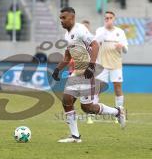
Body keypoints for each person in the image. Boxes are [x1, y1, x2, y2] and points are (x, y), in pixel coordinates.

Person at [52, 7, 126, 143]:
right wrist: (58, 69)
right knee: (66, 101)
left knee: (88, 107)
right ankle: (75, 136)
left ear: (72, 18)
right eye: (60, 18)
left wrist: (91, 65)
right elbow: (68, 56)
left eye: (64, 18)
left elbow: (95, 44)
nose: (61, 20)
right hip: (76, 73)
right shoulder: (67, 35)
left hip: (87, 73)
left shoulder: (80, 29)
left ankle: (118, 112)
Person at [95, 11, 128, 116]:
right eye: (106, 18)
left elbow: (126, 49)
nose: (108, 19)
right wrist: (104, 31)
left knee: (117, 86)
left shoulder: (120, 32)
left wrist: (122, 46)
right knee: (98, 88)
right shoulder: (100, 30)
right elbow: (95, 43)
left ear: (114, 19)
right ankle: (93, 109)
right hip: (102, 64)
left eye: (110, 18)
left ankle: (120, 111)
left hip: (116, 64)